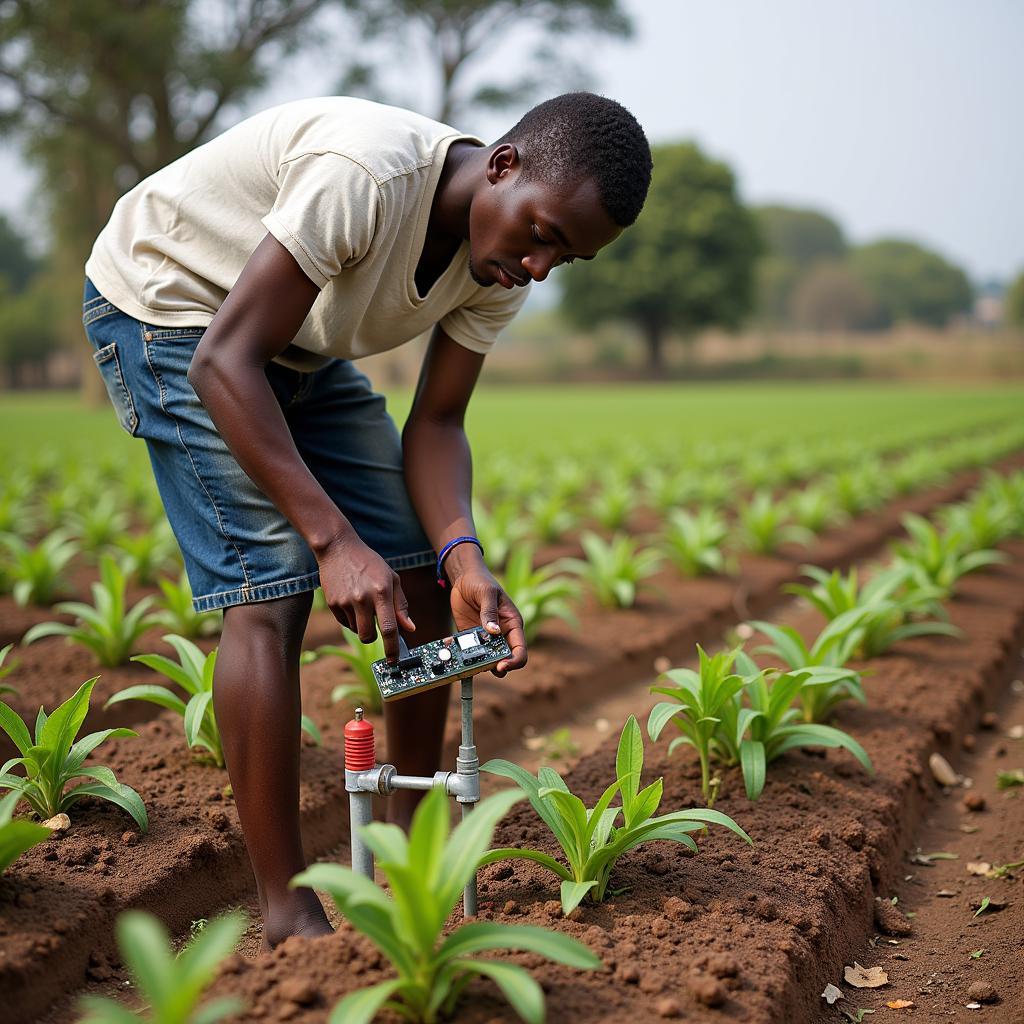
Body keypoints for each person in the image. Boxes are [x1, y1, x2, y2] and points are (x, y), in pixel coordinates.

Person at [82, 91, 652, 947]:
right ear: (503, 165)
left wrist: (464, 557)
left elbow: (438, 425)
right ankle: (287, 911)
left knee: (420, 567)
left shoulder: (500, 265)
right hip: (172, 311)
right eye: (542, 235)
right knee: (271, 585)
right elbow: (224, 360)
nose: (539, 268)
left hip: (294, 342)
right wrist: (333, 541)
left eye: (563, 260)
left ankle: (409, 859)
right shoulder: (367, 175)